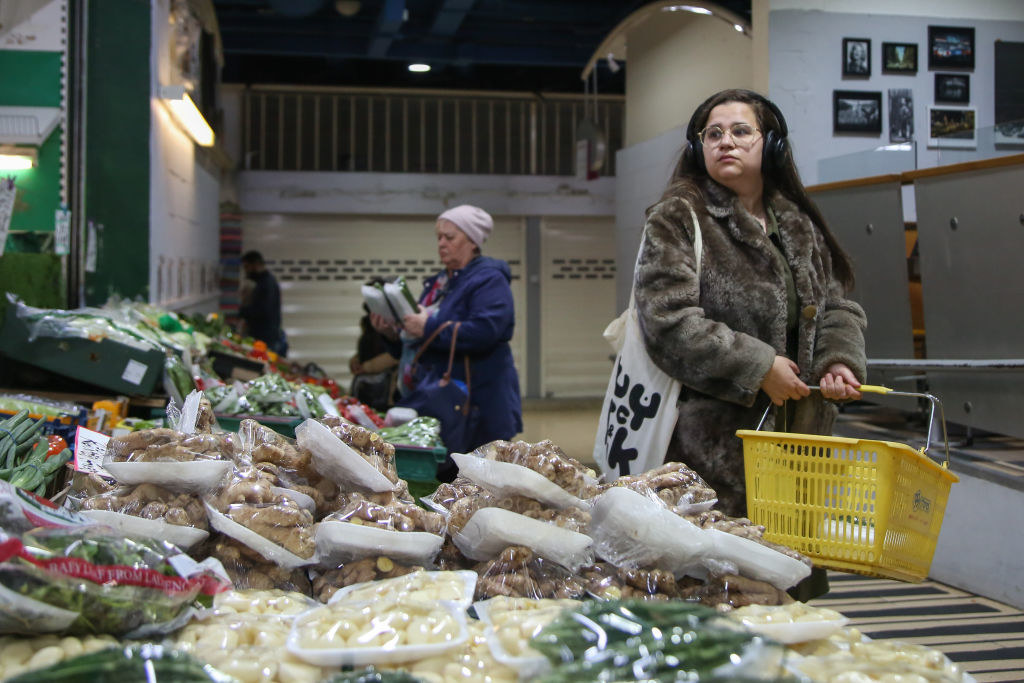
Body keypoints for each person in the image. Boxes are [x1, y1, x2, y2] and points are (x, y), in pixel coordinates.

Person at [634, 89, 867, 519]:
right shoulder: (678, 217)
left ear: (772, 144)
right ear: (698, 147)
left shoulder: (799, 223)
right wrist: (758, 367)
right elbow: (667, 321)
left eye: (742, 131)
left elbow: (834, 305)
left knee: (789, 570)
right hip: (713, 445)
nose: (726, 141)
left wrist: (838, 361)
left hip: (800, 441)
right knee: (722, 574)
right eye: (713, 134)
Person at [371, 205, 522, 473]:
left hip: (478, 409)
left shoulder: (489, 280)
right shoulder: (441, 284)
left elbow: (486, 331)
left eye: (449, 237)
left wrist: (427, 327)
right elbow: (422, 342)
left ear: (472, 241)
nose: (441, 243)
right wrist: (391, 333)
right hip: (444, 405)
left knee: (477, 484)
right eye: (439, 237)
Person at [349, 291, 399, 411]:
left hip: (387, 386)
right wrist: (355, 361)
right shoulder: (369, 321)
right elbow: (365, 347)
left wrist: (367, 367)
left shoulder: (395, 320)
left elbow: (396, 354)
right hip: (365, 384)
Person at [239, 250, 288, 356]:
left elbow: (262, 311)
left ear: (255, 264)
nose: (246, 271)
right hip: (266, 336)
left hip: (266, 338)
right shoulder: (264, 282)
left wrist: (243, 312)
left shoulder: (266, 284)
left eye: (247, 267)